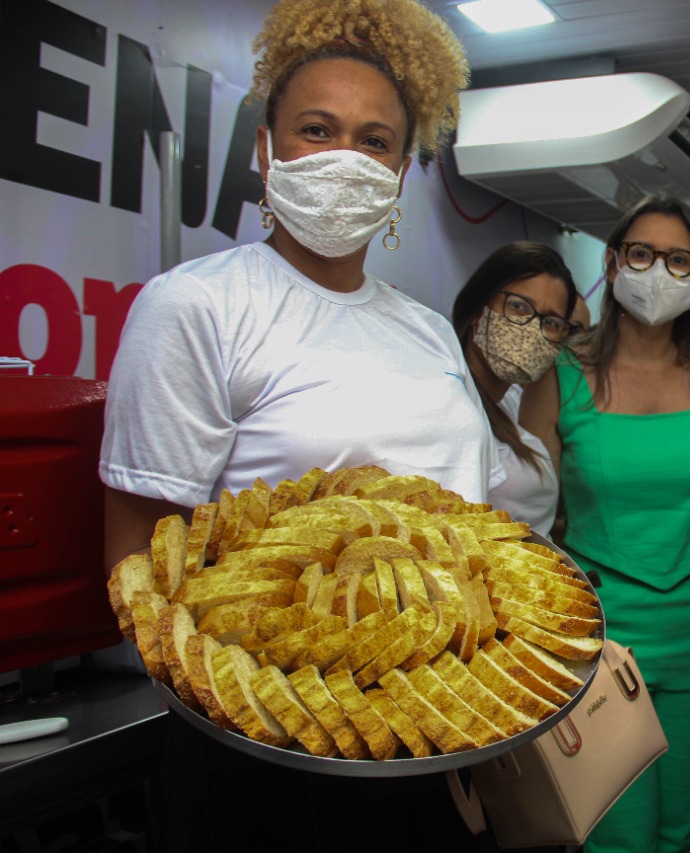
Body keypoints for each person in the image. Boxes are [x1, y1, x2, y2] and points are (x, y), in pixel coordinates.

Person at [98, 2, 485, 849]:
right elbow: (137, 560)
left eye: (376, 140)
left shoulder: (425, 330)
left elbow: (473, 523)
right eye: (317, 129)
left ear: (400, 173)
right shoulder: (196, 306)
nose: (346, 157)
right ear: (265, 151)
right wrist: (261, 710)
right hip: (271, 750)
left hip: (439, 725)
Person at [520, 195, 690, 853]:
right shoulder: (561, 373)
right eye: (642, 254)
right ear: (613, 262)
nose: (659, 272)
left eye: (679, 260)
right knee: (615, 836)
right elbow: (532, 511)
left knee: (680, 830)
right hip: (599, 633)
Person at [451, 242, 578, 537]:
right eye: (519, 307)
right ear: (477, 310)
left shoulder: (509, 402)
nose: (532, 329)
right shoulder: (448, 401)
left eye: (550, 322)